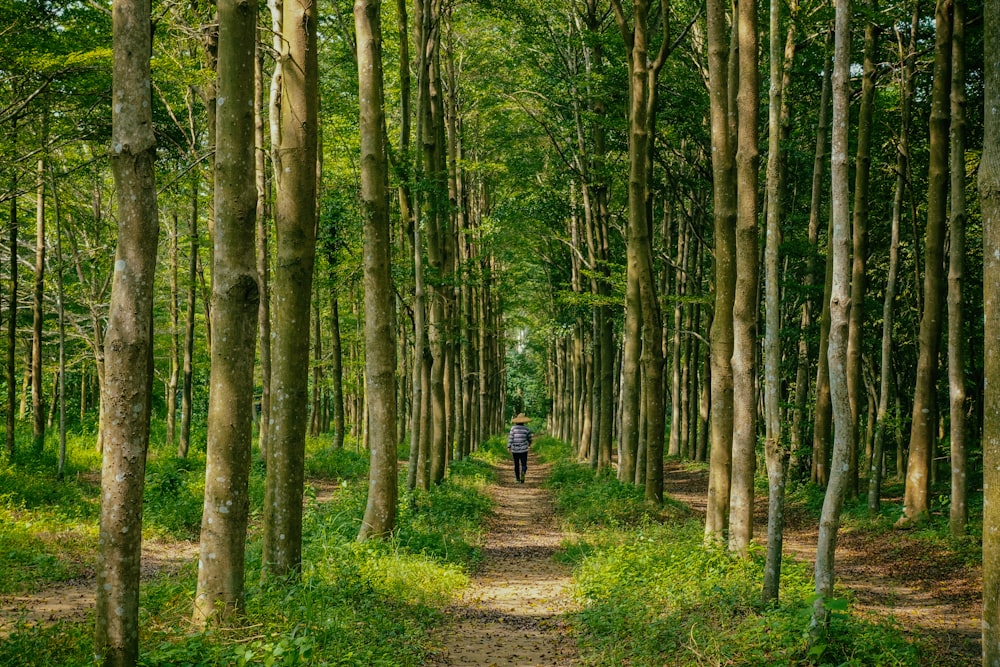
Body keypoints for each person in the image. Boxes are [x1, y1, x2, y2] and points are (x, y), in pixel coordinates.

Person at [507, 413, 533, 484]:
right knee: (524, 464)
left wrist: (509, 446)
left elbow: (511, 438)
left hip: (515, 449)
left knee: (516, 464)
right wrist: (530, 444)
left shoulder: (513, 428)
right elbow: (530, 438)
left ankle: (517, 479)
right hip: (524, 449)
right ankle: (523, 472)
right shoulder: (527, 429)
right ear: (524, 421)